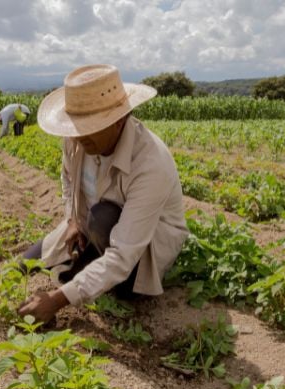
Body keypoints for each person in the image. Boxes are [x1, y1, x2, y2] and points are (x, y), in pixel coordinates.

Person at [17, 64, 189, 324]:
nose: (79, 135)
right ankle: (88, 259)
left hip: (141, 248)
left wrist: (57, 300)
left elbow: (123, 255)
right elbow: (67, 177)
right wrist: (73, 218)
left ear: (118, 120)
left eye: (90, 126)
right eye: (76, 126)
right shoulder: (76, 140)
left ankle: (118, 287)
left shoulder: (151, 164)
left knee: (102, 217)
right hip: (91, 227)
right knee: (22, 265)